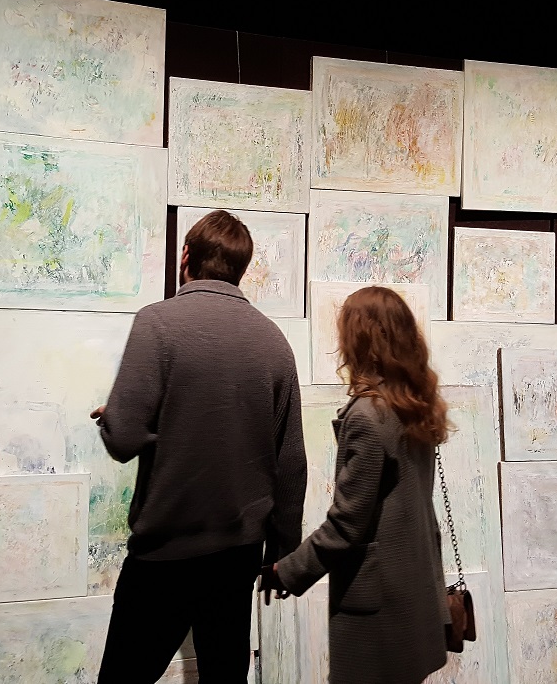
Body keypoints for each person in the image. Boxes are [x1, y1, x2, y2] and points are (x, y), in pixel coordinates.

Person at [91, 209, 307, 683]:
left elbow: (124, 440)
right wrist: (282, 551)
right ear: (241, 268)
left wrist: (121, 419)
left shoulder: (157, 323)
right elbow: (290, 462)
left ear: (186, 255)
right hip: (237, 556)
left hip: (163, 555)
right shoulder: (274, 342)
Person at [262, 285, 451, 684]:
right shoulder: (413, 407)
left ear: (360, 340)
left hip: (379, 607)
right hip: (413, 594)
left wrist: (287, 571)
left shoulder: (368, 415)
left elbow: (346, 525)